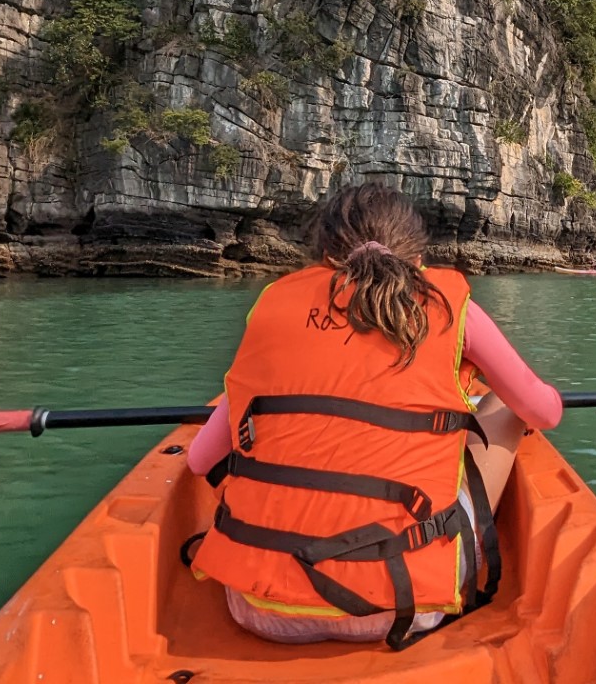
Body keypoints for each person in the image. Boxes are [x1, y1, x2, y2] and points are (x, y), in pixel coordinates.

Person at [185, 183, 563, 648]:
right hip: (404, 608)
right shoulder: (446, 307)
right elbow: (543, 411)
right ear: (418, 256)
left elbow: (200, 462)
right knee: (503, 405)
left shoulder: (271, 309)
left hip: (257, 608)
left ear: (324, 253)